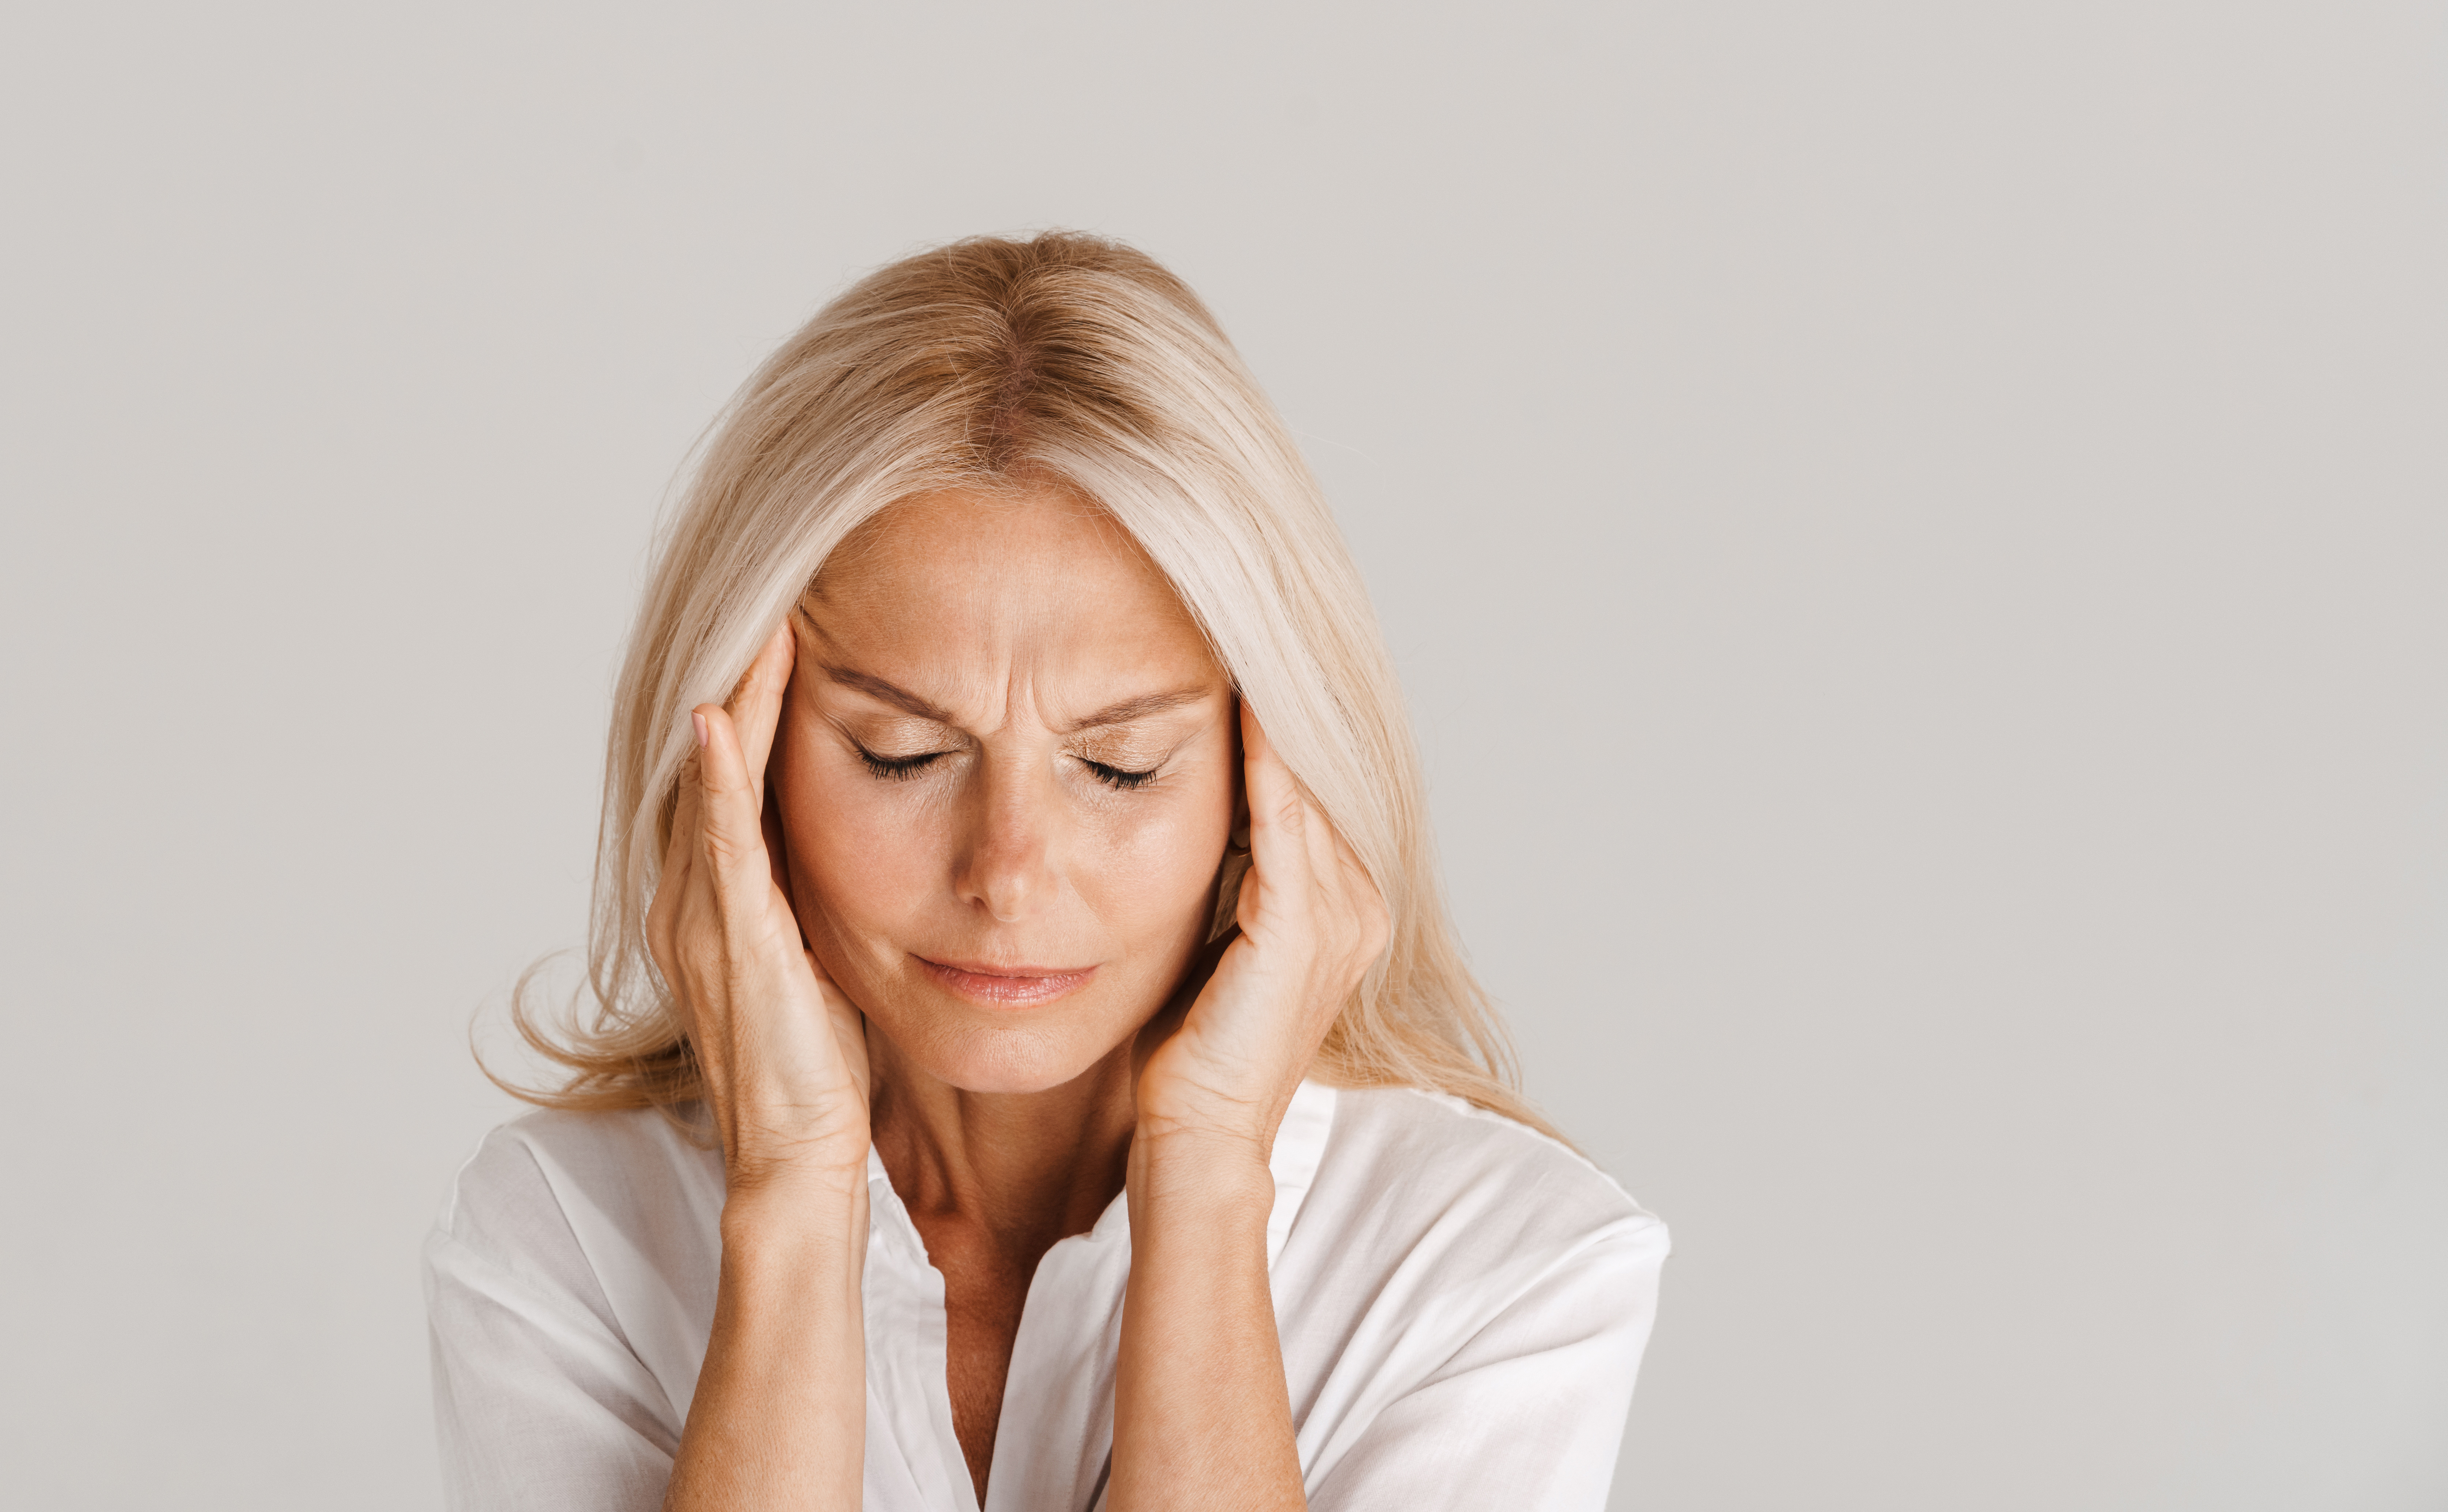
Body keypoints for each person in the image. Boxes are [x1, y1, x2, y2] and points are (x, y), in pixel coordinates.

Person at [423, 233, 1666, 1511]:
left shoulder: (1505, 1271)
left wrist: (1207, 1172)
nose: (1007, 876)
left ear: (1267, 773)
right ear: (741, 765)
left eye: (1120, 766)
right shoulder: (565, 1241)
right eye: (903, 755)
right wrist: (792, 1193)